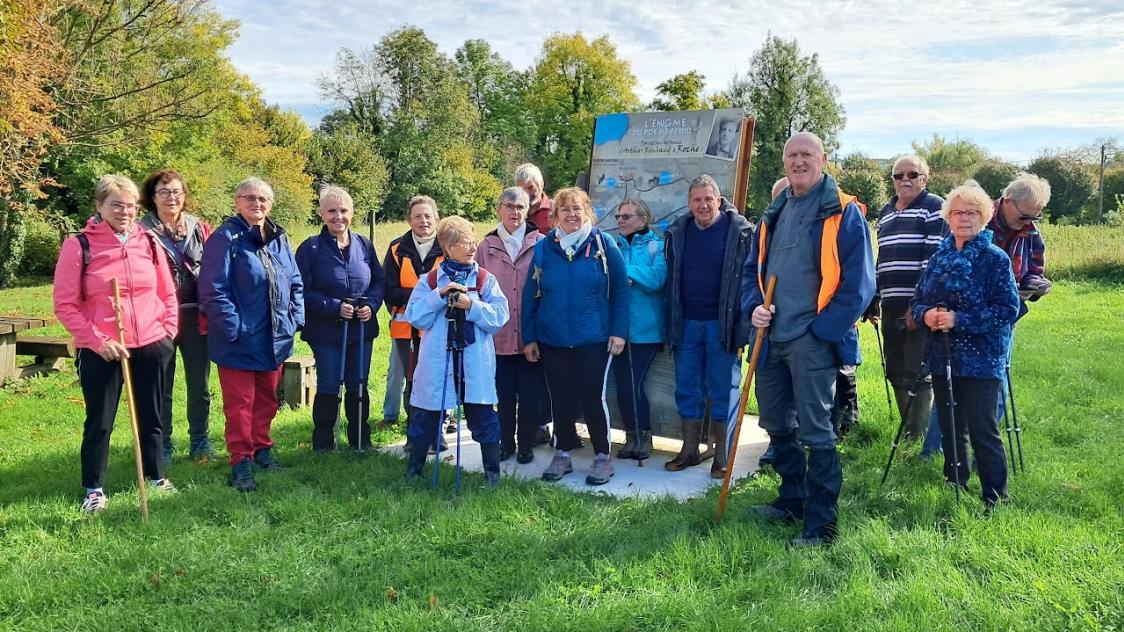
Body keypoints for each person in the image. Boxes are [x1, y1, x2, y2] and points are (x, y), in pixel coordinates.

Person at [742, 131, 876, 547]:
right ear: (784, 163)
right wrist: (754, 307)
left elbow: (859, 286)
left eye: (806, 155)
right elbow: (752, 273)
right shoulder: (774, 212)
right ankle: (791, 501)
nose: (798, 162)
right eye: (791, 155)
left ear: (823, 160)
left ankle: (821, 525)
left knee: (817, 431)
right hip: (769, 339)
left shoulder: (844, 213)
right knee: (777, 425)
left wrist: (820, 331)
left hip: (812, 340)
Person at [54, 174, 178, 513]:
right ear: (99, 206)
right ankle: (94, 488)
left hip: (151, 342)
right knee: (101, 419)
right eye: (116, 204)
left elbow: (167, 293)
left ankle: (155, 475)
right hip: (103, 348)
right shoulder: (79, 245)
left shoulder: (150, 242)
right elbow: (65, 304)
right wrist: (96, 340)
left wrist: (166, 332)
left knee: (152, 415)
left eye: (131, 205)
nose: (125, 211)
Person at [923, 172, 1052, 452]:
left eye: (1035, 217)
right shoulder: (973, 215)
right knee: (949, 388)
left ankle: (979, 447)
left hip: (1000, 319)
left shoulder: (1030, 232)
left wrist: (1035, 283)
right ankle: (936, 451)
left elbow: (1033, 269)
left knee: (995, 391)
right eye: (1024, 215)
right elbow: (945, 267)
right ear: (1007, 201)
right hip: (955, 323)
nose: (1028, 222)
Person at [909, 180, 1019, 508]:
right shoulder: (939, 256)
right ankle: (954, 481)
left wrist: (960, 320)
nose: (964, 218)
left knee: (982, 427)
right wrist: (927, 314)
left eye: (972, 212)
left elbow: (1007, 310)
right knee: (949, 422)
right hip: (944, 354)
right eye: (957, 212)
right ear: (948, 217)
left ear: (984, 217)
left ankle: (995, 496)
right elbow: (918, 300)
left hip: (982, 358)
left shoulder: (995, 258)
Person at [199, 177, 304, 492]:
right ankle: (240, 461)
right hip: (238, 340)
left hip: (275, 337)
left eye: (263, 199)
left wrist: (294, 317)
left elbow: (294, 280)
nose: (257, 204)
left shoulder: (279, 239)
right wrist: (234, 327)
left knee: (267, 401)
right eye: (250, 198)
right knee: (240, 404)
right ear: (237, 201)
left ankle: (262, 449)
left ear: (270, 204)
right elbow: (213, 289)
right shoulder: (224, 239)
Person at [522, 187, 629, 486]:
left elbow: (620, 290)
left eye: (577, 209)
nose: (571, 214)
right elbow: (532, 294)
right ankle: (564, 452)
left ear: (587, 213)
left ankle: (602, 456)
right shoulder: (544, 249)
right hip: (552, 338)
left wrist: (618, 332)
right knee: (561, 398)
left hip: (593, 338)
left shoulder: (603, 245)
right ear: (555, 215)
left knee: (593, 397)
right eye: (564, 209)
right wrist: (529, 337)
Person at [403, 216, 509, 487]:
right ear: (448, 248)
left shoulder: (484, 279)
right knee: (426, 415)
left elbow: (500, 315)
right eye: (465, 243)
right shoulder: (430, 280)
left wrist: (470, 306)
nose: (473, 247)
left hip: (474, 361)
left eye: (474, 241)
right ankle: (413, 472)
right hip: (438, 358)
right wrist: (439, 296)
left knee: (483, 415)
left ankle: (492, 476)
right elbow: (415, 317)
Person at [663, 174, 754, 478]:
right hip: (686, 323)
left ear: (719, 199)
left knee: (723, 389)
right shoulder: (678, 231)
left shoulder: (740, 232)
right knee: (687, 387)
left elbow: (748, 282)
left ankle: (721, 455)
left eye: (708, 199)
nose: (703, 205)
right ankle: (689, 450)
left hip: (722, 324)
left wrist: (742, 329)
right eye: (697, 200)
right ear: (689, 203)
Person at [864, 155, 948, 444]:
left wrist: (918, 305)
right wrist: (873, 297)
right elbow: (882, 259)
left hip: (919, 305)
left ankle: (917, 437)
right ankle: (909, 431)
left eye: (912, 174)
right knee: (896, 369)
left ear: (925, 178)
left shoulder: (934, 207)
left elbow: (933, 260)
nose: (905, 180)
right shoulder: (886, 212)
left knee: (917, 371)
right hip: (890, 303)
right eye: (898, 175)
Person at [296, 185, 386, 452]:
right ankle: (324, 442)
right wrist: (334, 307)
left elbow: (378, 281)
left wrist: (370, 304)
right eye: (332, 211)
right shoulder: (310, 248)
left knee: (358, 382)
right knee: (329, 383)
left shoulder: (364, 244)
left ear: (352, 213)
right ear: (322, 214)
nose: (339, 216)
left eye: (343, 210)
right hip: (325, 331)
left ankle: (360, 440)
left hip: (361, 328)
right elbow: (300, 289)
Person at [138, 170, 214, 464]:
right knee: (162, 385)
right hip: (158, 319)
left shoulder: (200, 228)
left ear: (185, 195)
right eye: (164, 192)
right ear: (152, 197)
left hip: (197, 316)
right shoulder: (141, 231)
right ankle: (163, 443)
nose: (172, 197)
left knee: (200, 385)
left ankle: (200, 440)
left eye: (177, 191)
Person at [475, 187, 545, 463]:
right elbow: (476, 290)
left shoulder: (541, 242)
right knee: (503, 395)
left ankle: (526, 443)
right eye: (509, 206)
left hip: (530, 334)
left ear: (528, 210)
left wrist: (537, 333)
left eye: (520, 207)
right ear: (498, 209)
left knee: (529, 395)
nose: (514, 212)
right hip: (498, 336)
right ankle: (506, 442)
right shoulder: (485, 246)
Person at [383, 195, 445, 448]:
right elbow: (389, 289)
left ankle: (437, 433)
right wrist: (426, 296)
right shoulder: (397, 248)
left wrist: (422, 298)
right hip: (405, 328)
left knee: (436, 379)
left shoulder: (447, 246)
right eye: (417, 216)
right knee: (412, 381)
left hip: (436, 328)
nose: (423, 221)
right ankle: (415, 435)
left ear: (436, 219)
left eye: (428, 216)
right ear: (409, 220)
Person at [611, 198, 666, 461]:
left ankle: (644, 435)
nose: (620, 220)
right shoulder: (613, 246)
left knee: (633, 383)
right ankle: (631, 436)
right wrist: (633, 275)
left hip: (646, 329)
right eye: (619, 217)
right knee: (622, 385)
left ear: (642, 220)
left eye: (626, 216)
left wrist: (625, 272)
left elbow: (657, 280)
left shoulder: (657, 245)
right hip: (618, 329)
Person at [515, 162, 555, 446]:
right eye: (523, 189)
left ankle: (547, 423)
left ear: (541, 187)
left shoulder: (552, 212)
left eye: (532, 188)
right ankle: (529, 422)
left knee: (546, 367)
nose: (528, 194)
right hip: (518, 295)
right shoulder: (514, 209)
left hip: (548, 295)